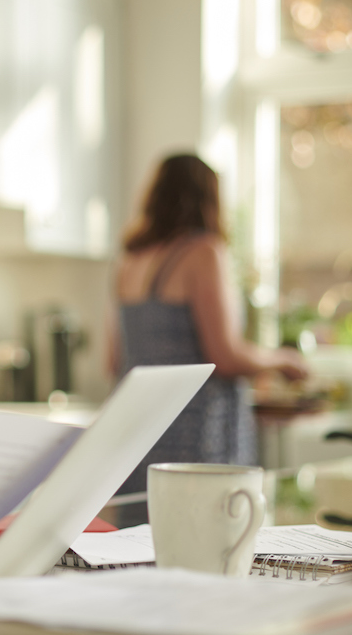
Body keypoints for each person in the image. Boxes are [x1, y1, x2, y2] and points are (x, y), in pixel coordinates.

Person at [109, 154, 308, 499]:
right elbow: (225, 357)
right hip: (197, 437)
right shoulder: (203, 252)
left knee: (141, 529)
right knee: (209, 527)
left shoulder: (129, 260)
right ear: (208, 197)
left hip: (138, 433)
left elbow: (113, 361)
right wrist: (282, 361)